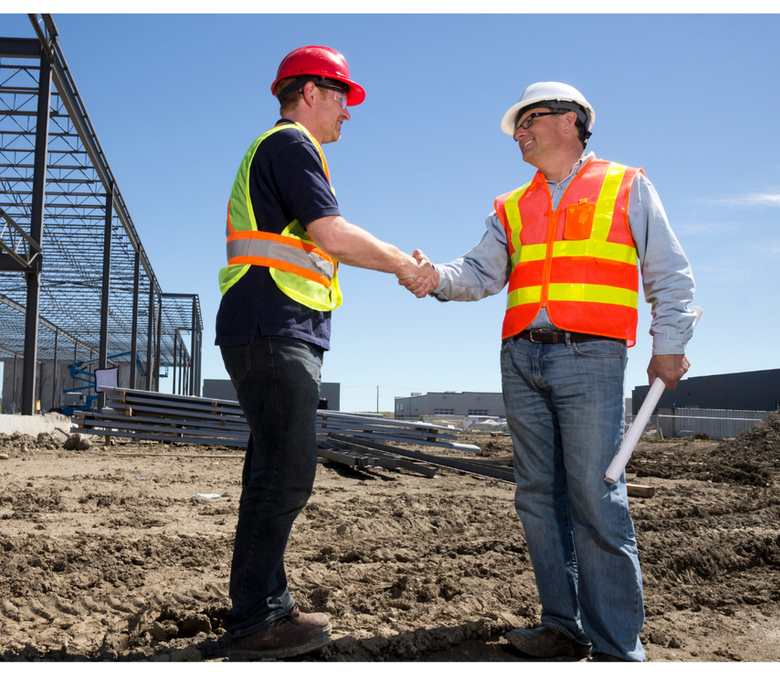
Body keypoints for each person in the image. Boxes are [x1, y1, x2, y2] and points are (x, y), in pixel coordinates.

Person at [401, 82, 696, 662]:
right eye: (518, 123)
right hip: (521, 356)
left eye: (530, 119)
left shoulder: (625, 184)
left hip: (592, 355)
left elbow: (670, 273)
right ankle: (563, 626)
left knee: (596, 496)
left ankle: (616, 648)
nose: (519, 132)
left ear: (571, 122)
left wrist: (671, 344)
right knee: (537, 495)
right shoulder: (511, 205)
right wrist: (434, 277)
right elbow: (480, 273)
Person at [215, 45, 431, 660]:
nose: (348, 111)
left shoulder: (284, 150)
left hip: (275, 326)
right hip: (271, 327)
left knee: (272, 472)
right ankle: (256, 621)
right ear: (309, 93)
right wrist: (403, 265)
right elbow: (330, 234)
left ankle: (266, 606)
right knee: (284, 474)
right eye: (341, 96)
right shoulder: (290, 146)